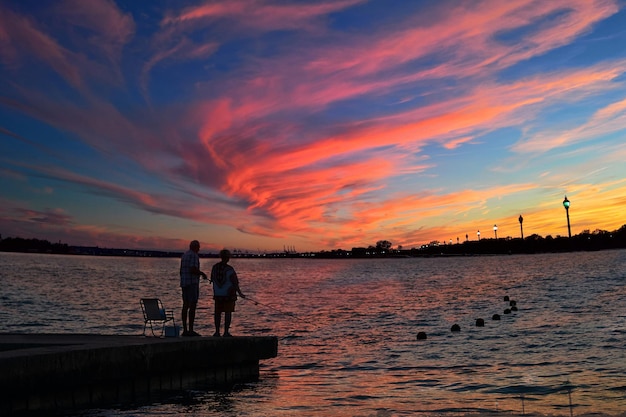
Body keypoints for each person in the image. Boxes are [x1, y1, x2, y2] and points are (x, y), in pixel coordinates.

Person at [210, 249, 245, 337]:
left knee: (217, 313)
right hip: (228, 295)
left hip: (218, 295)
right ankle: (226, 332)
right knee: (228, 312)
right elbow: (235, 282)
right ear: (228, 258)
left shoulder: (214, 267)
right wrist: (240, 293)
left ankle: (217, 332)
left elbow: (212, 279)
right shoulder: (230, 269)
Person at [180, 240, 207, 337]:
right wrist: (202, 273)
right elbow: (193, 269)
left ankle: (185, 330)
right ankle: (191, 330)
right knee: (192, 306)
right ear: (195, 247)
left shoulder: (185, 255)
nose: (199, 249)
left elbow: (181, 270)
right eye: (198, 247)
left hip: (184, 283)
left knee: (185, 306)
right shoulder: (194, 256)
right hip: (192, 283)